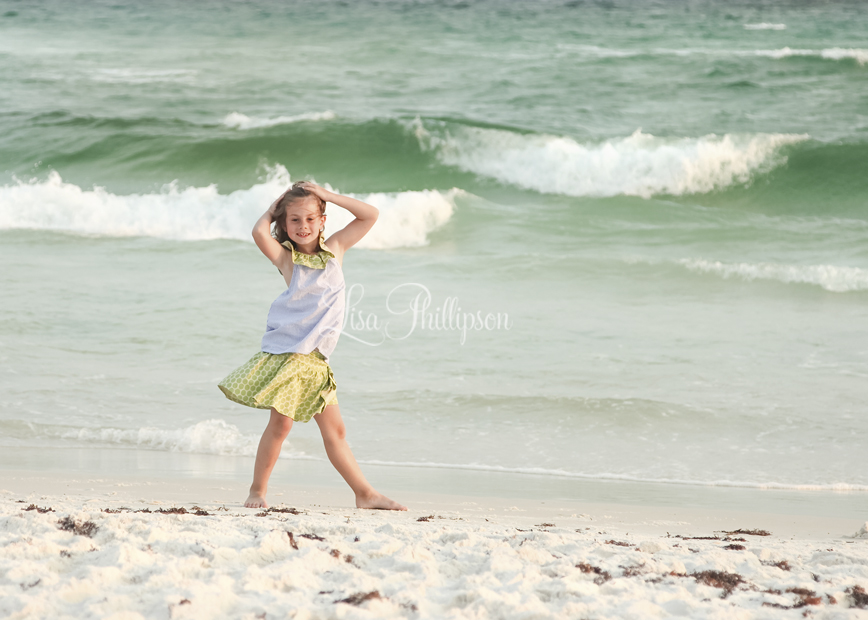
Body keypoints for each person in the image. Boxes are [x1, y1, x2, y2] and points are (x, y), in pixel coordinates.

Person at [218, 181, 406, 511]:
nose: (302, 226)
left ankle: (365, 494)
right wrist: (277, 205)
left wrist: (328, 196)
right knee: (281, 425)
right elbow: (259, 232)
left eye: (309, 219)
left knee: (336, 431)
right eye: (293, 220)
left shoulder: (335, 249)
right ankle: (257, 491)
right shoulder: (287, 260)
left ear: (322, 221)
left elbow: (370, 215)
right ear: (284, 224)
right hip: (292, 356)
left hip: (318, 362)